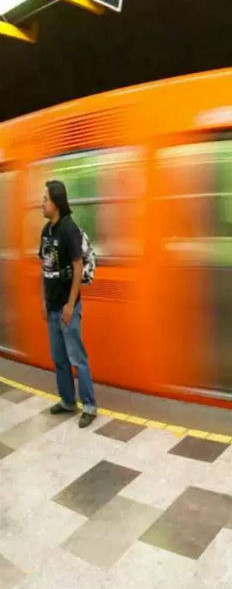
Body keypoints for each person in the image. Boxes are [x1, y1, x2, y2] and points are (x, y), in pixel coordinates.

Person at [40, 180, 97, 428]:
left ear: (57, 203)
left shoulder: (68, 229)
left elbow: (77, 267)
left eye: (45, 199)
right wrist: (44, 299)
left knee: (77, 358)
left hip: (67, 307)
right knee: (59, 357)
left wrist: (70, 305)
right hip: (52, 305)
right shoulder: (46, 231)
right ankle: (67, 401)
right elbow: (44, 266)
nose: (42, 203)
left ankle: (90, 405)